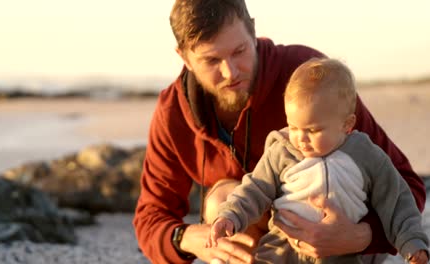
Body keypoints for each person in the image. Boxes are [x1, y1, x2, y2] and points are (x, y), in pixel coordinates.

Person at [133, 0, 427, 263]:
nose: (230, 72)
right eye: (211, 60)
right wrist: (186, 238)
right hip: (272, 247)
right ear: (184, 57)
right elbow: (150, 218)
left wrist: (361, 236)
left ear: (253, 32)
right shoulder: (174, 111)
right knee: (222, 201)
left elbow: (406, 185)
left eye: (239, 51)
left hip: (350, 242)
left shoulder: (310, 79)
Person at [207, 58, 429, 264]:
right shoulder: (282, 151)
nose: (300, 138)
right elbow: (255, 188)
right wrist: (230, 215)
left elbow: (396, 199)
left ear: (347, 124)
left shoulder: (365, 154)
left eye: (313, 130)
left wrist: (412, 243)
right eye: (293, 127)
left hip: (341, 254)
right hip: (282, 251)